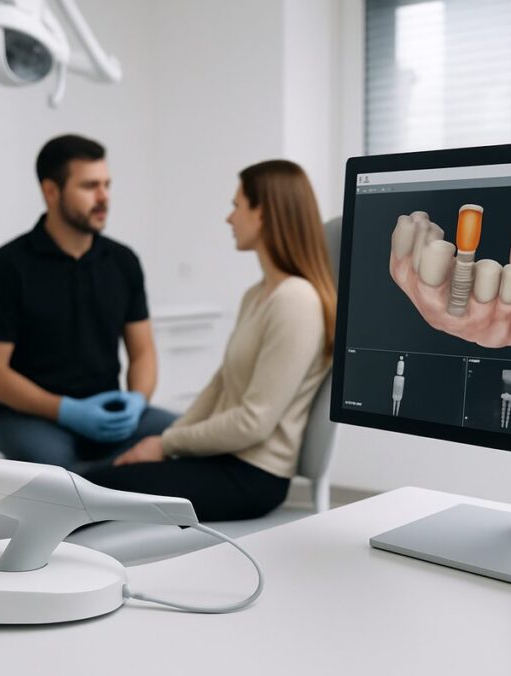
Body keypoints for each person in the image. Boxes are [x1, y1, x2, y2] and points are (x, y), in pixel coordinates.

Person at [83, 159, 337, 521]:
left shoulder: (296, 301)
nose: (229, 218)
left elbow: (254, 422)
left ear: (263, 213)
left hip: (253, 477)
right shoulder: (258, 295)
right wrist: (165, 442)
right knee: (90, 483)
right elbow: (219, 386)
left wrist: (165, 443)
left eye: (237, 206)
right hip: (223, 460)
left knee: (90, 492)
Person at [0, 134, 175, 474]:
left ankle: (104, 480)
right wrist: (67, 410)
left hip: (109, 414)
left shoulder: (123, 261)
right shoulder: (7, 266)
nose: (104, 197)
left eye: (107, 185)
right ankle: (108, 480)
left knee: (191, 439)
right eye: (89, 186)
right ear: (51, 191)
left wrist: (137, 400)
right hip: (31, 418)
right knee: (58, 473)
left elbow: (143, 353)